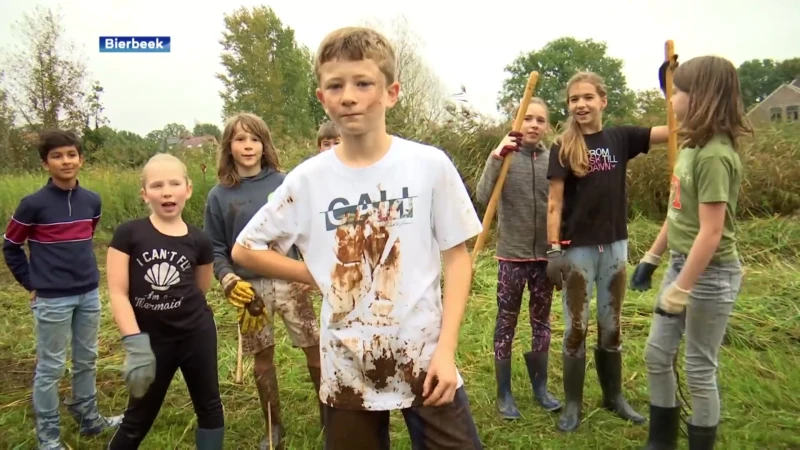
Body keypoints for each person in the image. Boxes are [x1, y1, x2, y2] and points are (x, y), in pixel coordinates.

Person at [231, 26, 484, 450]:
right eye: (336, 85)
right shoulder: (308, 179)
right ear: (322, 97)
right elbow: (245, 248)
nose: (349, 96)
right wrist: (317, 275)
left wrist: (446, 349)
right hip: (346, 365)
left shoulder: (428, 165)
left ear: (392, 92)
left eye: (363, 83)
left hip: (424, 356)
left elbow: (458, 259)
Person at [634, 56, 751, 450]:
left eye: (679, 92)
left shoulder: (715, 155)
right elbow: (677, 212)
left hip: (711, 274)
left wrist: (681, 290)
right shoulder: (689, 147)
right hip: (680, 264)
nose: (673, 99)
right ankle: (661, 441)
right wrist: (652, 258)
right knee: (655, 354)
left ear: (701, 98)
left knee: (699, 368)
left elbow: (712, 232)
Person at [545, 71, 670, 432]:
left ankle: (613, 397)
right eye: (573, 99)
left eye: (587, 97)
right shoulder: (563, 146)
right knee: (576, 328)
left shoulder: (621, 138)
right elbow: (554, 202)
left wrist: (671, 88)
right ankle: (572, 405)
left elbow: (674, 130)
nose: (580, 104)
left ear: (603, 100)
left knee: (611, 325)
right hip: (577, 249)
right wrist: (553, 251)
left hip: (615, 245)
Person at [203, 112, 322, 449]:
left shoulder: (285, 184)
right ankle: (273, 426)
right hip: (250, 290)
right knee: (263, 358)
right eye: (240, 139)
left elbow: (307, 232)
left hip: (291, 282)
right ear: (229, 146)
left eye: (254, 139)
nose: (248, 146)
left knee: (315, 350)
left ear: (264, 144)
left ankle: (331, 416)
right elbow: (214, 247)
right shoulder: (219, 195)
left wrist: (309, 272)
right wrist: (227, 279)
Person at [2, 129, 122, 450]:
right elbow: (11, 246)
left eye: (71, 154)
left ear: (81, 159)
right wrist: (32, 283)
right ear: (45, 163)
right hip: (52, 298)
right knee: (51, 366)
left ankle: (88, 418)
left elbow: (87, 235)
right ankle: (49, 436)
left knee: (87, 359)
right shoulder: (32, 205)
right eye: (57, 156)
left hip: (88, 294)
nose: (65, 161)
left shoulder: (91, 200)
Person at [105, 154, 224, 449]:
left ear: (189, 189)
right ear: (144, 193)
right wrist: (135, 344)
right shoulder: (129, 234)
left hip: (196, 335)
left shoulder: (200, 240)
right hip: (151, 342)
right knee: (138, 415)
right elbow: (118, 293)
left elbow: (201, 288)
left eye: (174, 183)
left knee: (209, 406)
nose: (167, 191)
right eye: (157, 185)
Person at [475, 98, 560, 419]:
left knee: (542, 323)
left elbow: (561, 207)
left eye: (540, 120)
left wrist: (559, 249)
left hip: (544, 258)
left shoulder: (553, 160)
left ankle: (540, 387)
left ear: (547, 126)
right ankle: (504, 393)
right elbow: (483, 196)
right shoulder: (505, 158)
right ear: (518, 123)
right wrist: (497, 156)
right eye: (528, 119)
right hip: (511, 256)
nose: (534, 125)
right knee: (506, 323)